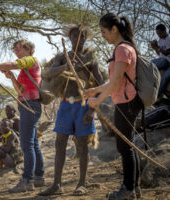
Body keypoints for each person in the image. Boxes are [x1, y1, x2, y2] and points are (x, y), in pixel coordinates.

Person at [39, 25, 103, 196]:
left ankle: (82, 184)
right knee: (59, 143)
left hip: (84, 105)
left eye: (82, 36)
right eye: (75, 36)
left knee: (82, 145)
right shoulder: (62, 57)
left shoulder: (91, 59)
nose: (78, 39)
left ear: (85, 38)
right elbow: (48, 73)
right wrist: (66, 67)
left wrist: (92, 110)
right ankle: (56, 185)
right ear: (70, 38)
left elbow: (101, 84)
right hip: (66, 105)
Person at [86, 13, 142, 200]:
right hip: (126, 101)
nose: (103, 35)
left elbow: (117, 81)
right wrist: (96, 90)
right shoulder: (124, 48)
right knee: (128, 145)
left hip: (126, 103)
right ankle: (133, 187)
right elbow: (114, 80)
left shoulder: (122, 49)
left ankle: (128, 189)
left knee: (125, 147)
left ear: (114, 29)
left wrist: (98, 100)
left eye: (104, 31)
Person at [0, 39, 45, 193]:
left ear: (29, 49)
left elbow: (12, 64)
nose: (16, 52)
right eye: (15, 50)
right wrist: (11, 78)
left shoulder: (30, 60)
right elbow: (19, 91)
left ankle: (27, 181)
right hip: (28, 104)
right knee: (33, 143)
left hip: (30, 106)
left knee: (27, 145)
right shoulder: (25, 70)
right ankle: (38, 177)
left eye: (19, 49)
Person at [150, 24, 170, 97]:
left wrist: (157, 46)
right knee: (150, 63)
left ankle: (157, 95)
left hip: (167, 61)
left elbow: (166, 53)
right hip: (162, 60)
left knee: (165, 77)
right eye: (157, 34)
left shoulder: (169, 39)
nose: (159, 35)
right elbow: (159, 53)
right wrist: (155, 48)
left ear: (164, 31)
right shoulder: (160, 40)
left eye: (160, 33)